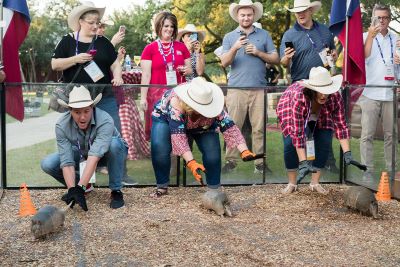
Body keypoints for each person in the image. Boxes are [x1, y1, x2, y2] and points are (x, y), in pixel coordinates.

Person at [149, 77, 256, 197]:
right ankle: (162, 186)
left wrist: (244, 150)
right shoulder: (176, 103)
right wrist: (191, 163)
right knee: (160, 147)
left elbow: (230, 127)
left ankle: (214, 189)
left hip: (204, 124)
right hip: (164, 117)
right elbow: (179, 137)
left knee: (212, 152)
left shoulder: (215, 104)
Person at [276, 67, 364, 195]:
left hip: (322, 114)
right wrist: (304, 163)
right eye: (320, 91)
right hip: (290, 108)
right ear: (312, 90)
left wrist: (347, 153)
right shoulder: (299, 97)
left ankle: (315, 183)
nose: (324, 95)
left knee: (325, 140)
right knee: (290, 142)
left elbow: (341, 125)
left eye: (326, 91)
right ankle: (292, 183)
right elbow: (298, 133)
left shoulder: (334, 97)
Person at [41, 85, 128, 210]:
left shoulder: (105, 120)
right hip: (82, 153)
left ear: (92, 108)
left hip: (108, 154)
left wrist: (80, 189)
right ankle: (81, 186)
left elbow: (94, 156)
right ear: (70, 111)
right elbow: (66, 162)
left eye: (86, 111)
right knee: (48, 163)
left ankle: (116, 191)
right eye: (77, 112)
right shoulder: (61, 125)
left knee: (114, 144)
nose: (82, 117)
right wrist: (72, 189)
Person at [221, 0, 279, 174]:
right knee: (233, 127)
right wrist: (235, 48)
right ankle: (231, 162)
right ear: (237, 16)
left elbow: (276, 58)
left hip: (258, 88)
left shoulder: (264, 35)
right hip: (236, 89)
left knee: (259, 128)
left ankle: (259, 164)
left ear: (254, 15)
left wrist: (258, 53)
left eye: (249, 14)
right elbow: (224, 62)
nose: (246, 17)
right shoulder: (230, 37)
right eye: (243, 15)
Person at [280, 0, 339, 173]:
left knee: (324, 128)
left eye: (303, 10)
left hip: (323, 86)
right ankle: (300, 165)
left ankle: (327, 164)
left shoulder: (325, 31)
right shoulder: (289, 35)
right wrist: (286, 58)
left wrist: (334, 55)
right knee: (299, 130)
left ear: (311, 10)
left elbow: (331, 53)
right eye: (297, 11)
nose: (300, 14)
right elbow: (283, 63)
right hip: (301, 89)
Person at [361, 4, 399, 180]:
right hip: (370, 93)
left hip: (389, 93)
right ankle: (367, 171)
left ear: (389, 19)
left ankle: (392, 170)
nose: (381, 21)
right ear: (373, 19)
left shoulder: (396, 38)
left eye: (384, 17)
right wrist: (370, 35)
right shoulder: (365, 37)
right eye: (378, 18)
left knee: (391, 135)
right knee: (367, 134)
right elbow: (365, 56)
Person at [140, 11, 192, 141]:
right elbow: (146, 75)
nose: (169, 29)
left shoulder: (182, 47)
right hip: (156, 98)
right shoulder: (149, 49)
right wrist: (143, 98)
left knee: (178, 133)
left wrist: (187, 70)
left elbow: (190, 70)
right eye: (166, 26)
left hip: (179, 95)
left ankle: (180, 160)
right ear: (159, 27)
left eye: (172, 26)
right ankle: (161, 160)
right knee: (160, 136)